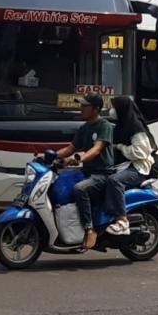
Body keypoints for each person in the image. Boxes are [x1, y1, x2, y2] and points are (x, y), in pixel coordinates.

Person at [55, 93, 114, 249]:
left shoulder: (104, 126)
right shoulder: (84, 128)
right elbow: (70, 149)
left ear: (95, 109)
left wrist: (80, 159)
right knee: (59, 182)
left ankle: (89, 229)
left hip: (103, 174)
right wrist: (49, 156)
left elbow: (96, 149)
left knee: (79, 189)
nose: (81, 108)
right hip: (87, 172)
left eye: (85, 106)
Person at [104, 96, 155, 236]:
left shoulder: (135, 127)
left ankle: (122, 221)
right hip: (125, 165)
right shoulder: (121, 124)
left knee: (115, 181)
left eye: (113, 107)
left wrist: (120, 147)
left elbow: (140, 152)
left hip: (138, 168)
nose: (111, 110)